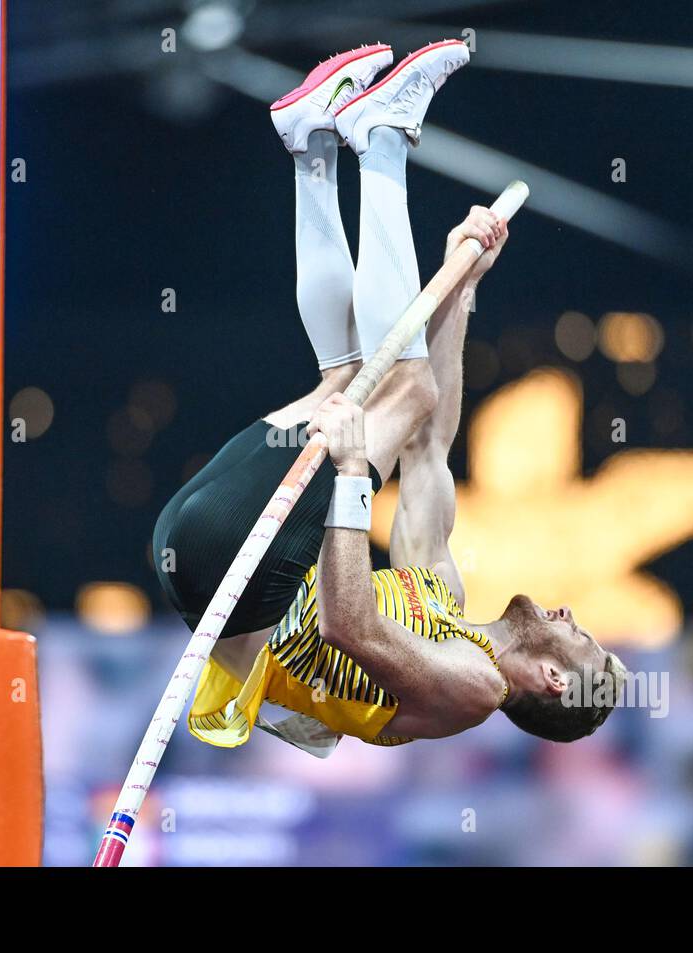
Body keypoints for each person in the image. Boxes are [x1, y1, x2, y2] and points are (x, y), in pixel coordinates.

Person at [153, 40, 626, 757]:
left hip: (243, 581)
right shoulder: (445, 602)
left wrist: (350, 477)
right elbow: (429, 444)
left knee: (399, 387)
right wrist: (460, 290)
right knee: (349, 376)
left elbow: (353, 628)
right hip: (208, 546)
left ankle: (383, 135)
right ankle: (313, 140)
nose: (568, 614)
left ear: (556, 679)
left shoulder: (470, 689)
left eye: (580, 636)